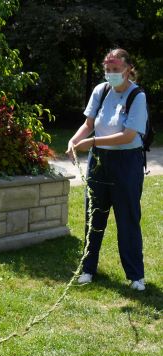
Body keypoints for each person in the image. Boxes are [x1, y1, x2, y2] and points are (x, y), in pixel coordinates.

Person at [66, 48, 147, 291]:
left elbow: (128, 136)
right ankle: (88, 269)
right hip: (99, 162)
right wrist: (73, 139)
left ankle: (136, 277)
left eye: (116, 69)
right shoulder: (100, 91)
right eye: (107, 70)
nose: (111, 74)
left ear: (128, 69)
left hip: (127, 163)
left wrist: (91, 142)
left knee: (128, 218)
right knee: (94, 216)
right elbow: (89, 123)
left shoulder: (137, 96)